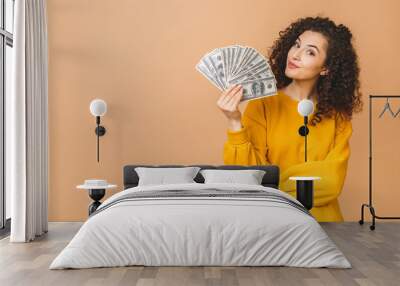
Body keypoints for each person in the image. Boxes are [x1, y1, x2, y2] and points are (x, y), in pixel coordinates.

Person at [217, 16, 363, 222]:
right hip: (273, 222)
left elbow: (331, 182)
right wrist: (234, 121)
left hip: (325, 226)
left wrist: (272, 184)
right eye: (297, 45)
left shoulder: (338, 116)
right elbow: (247, 176)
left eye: (310, 51)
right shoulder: (263, 104)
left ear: (326, 68)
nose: (296, 54)